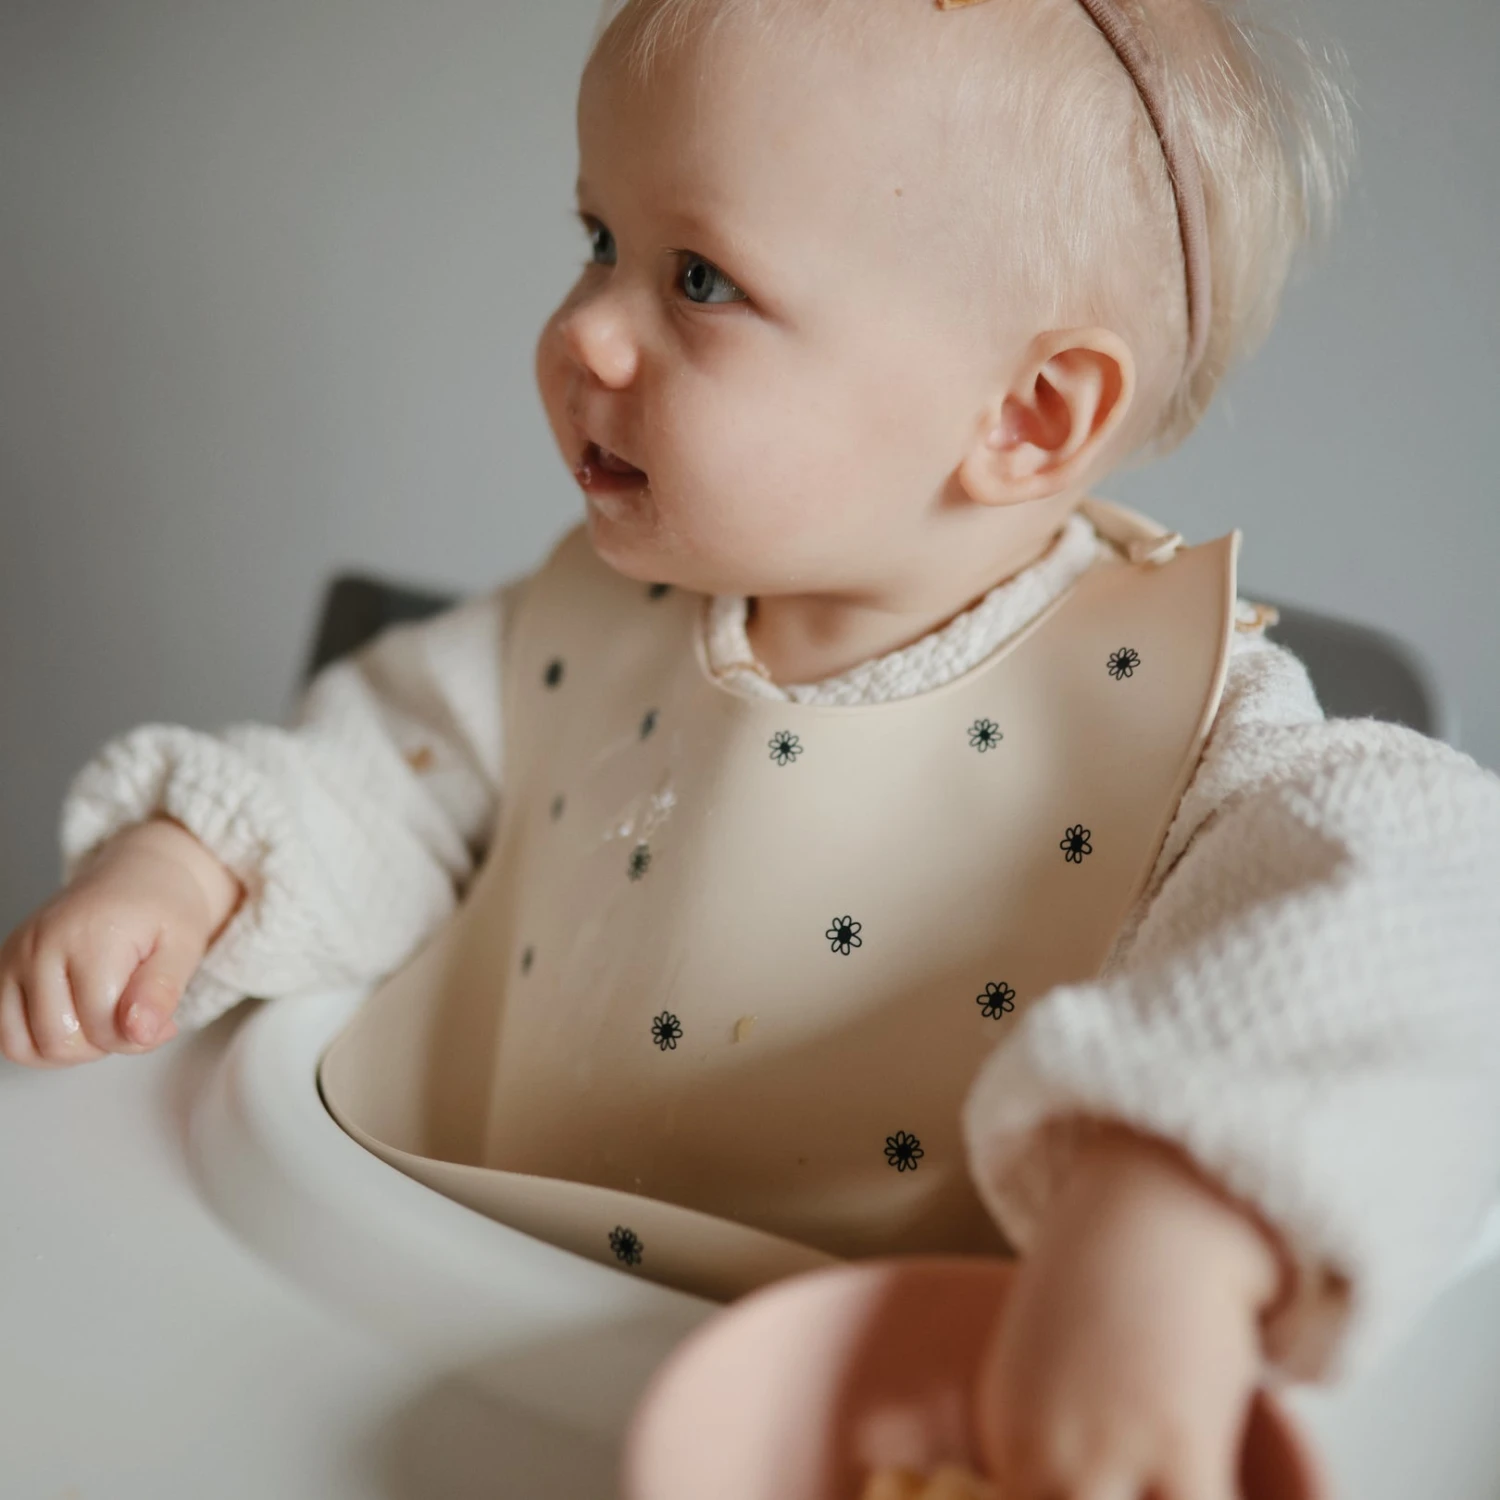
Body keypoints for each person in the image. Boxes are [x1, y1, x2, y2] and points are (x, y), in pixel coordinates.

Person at [5, 0, 1499, 1494]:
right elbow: (381, 777)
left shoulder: (1175, 729)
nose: (585, 327)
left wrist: (1177, 1212)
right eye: (600, 239)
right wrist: (194, 861)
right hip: (392, 1318)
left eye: (701, 279)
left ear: (1030, 416)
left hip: (857, 1412)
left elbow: (1423, 907)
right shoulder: (585, 618)